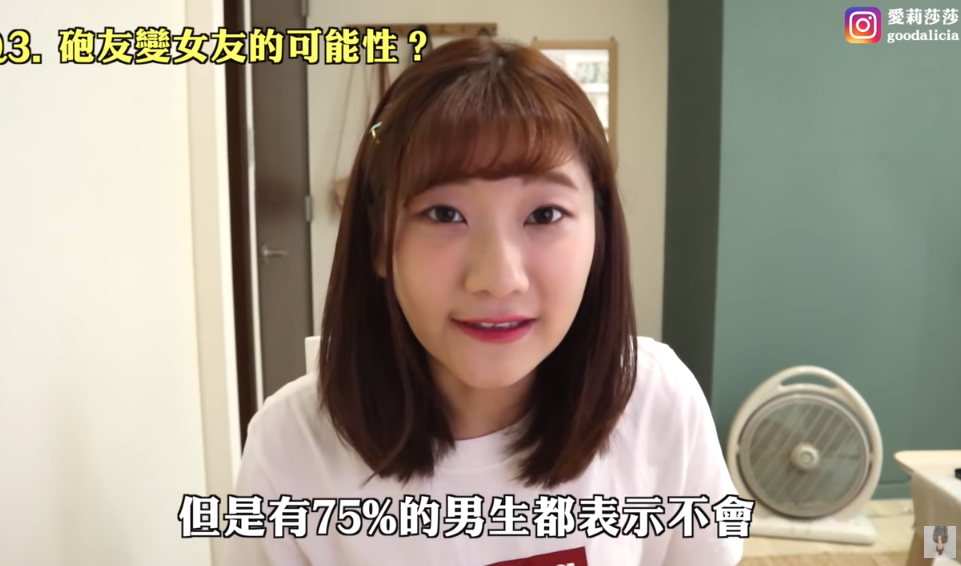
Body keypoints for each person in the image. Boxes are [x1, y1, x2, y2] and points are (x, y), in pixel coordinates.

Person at [223, 36, 744, 566]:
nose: (498, 279)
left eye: (544, 215)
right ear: (378, 243)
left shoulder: (656, 401)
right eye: (444, 214)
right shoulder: (290, 447)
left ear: (599, 236)